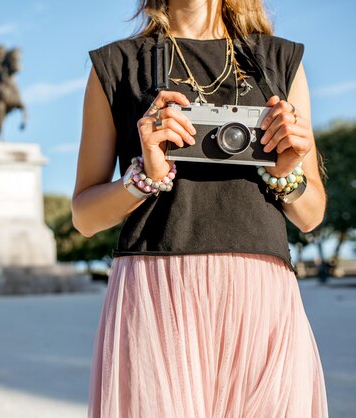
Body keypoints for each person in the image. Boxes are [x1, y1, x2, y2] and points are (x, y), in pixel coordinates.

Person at [72, 0, 329, 416]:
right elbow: (84, 216)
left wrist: (287, 172)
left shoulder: (281, 60)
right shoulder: (117, 64)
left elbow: (312, 213)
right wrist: (145, 175)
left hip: (261, 293)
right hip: (158, 292)